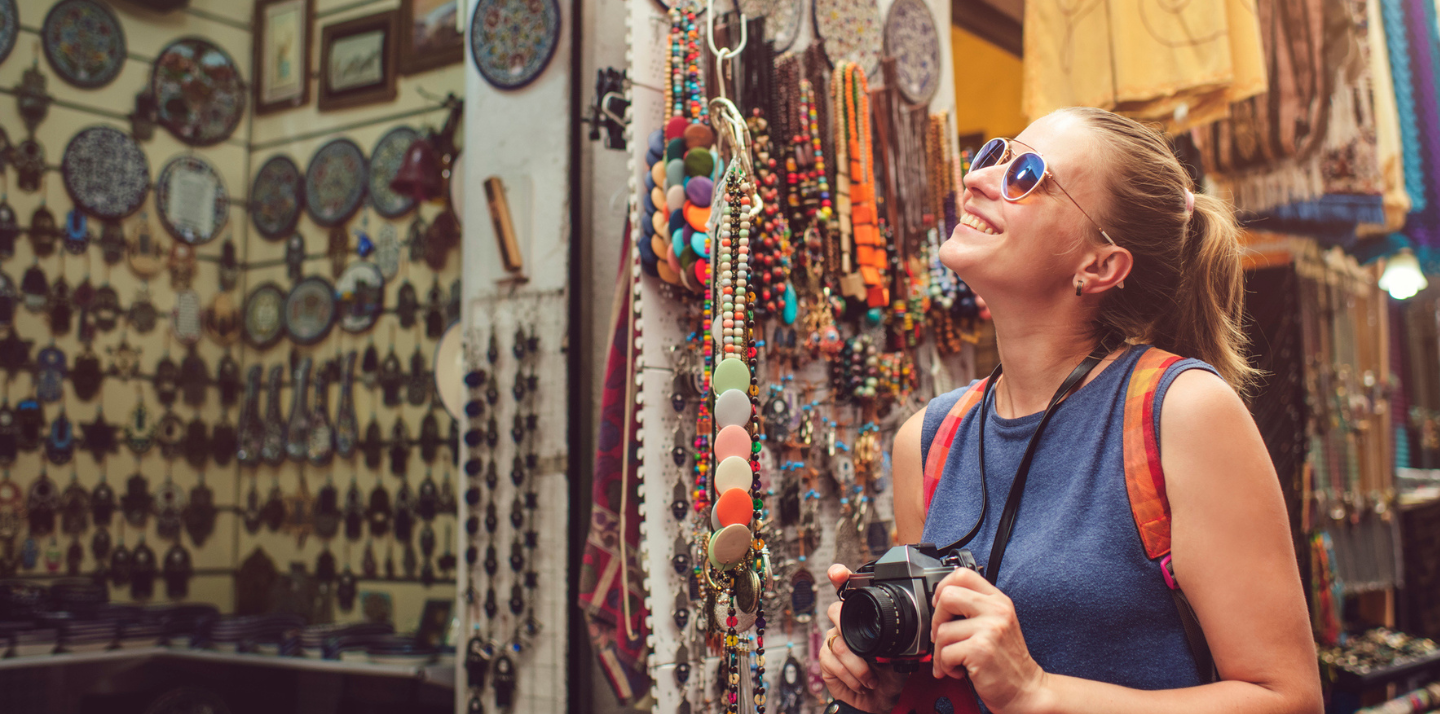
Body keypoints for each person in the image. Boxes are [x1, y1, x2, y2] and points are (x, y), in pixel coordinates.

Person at [818, 107, 1322, 714]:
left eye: (1027, 174)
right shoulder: (927, 440)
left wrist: (1041, 693)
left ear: (1099, 265)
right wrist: (883, 685)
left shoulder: (1180, 412)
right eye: (994, 155)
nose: (978, 179)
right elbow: (938, 685)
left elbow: (1288, 698)